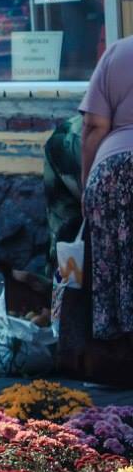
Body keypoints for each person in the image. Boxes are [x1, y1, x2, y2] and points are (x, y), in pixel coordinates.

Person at [80, 36, 133, 340]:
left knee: (108, 270)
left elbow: (94, 125)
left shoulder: (117, 52)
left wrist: (87, 187)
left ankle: (112, 360)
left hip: (110, 172)